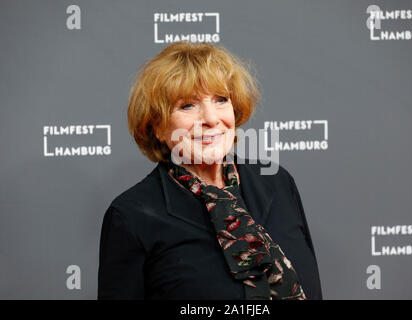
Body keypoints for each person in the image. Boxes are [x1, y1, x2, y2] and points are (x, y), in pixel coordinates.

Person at [97, 41, 322, 300]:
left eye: (221, 100)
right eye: (188, 105)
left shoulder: (277, 182)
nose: (212, 119)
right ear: (157, 126)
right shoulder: (132, 215)